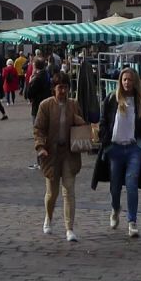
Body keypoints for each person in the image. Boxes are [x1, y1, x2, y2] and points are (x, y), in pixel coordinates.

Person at [92, 66, 141, 238]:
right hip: (115, 148)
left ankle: (132, 221)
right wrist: (107, 143)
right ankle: (115, 207)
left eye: (130, 79)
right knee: (116, 185)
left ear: (135, 82)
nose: (127, 83)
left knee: (132, 182)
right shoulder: (112, 98)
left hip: (134, 148)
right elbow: (103, 122)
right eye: (125, 79)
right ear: (120, 81)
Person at [33, 73, 86, 241]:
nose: (63, 91)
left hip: (69, 154)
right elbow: (39, 129)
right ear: (54, 89)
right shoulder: (45, 106)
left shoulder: (74, 104)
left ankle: (69, 228)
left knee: (69, 190)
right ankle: (48, 217)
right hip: (51, 155)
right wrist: (40, 147)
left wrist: (80, 122)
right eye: (59, 87)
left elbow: (81, 123)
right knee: (52, 193)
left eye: (65, 87)